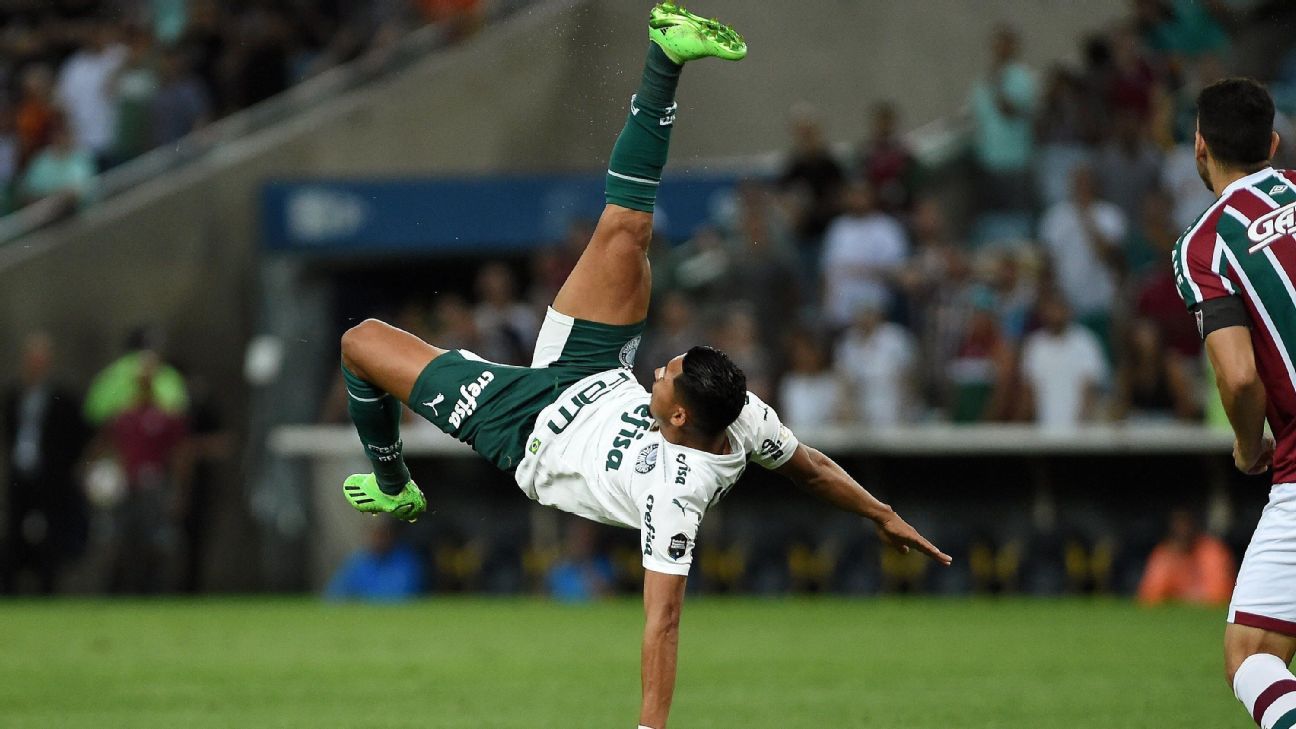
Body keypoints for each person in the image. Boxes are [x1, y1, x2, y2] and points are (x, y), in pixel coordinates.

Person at [334, 7, 949, 728]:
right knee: (627, 228)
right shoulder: (738, 411)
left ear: (680, 415)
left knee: (360, 343)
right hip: (586, 369)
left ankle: (394, 486)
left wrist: (649, 727)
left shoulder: (675, 496)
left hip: (527, 428)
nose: (660, 367)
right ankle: (665, 57)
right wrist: (882, 513)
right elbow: (808, 466)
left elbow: (662, 623)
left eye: (667, 374)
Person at [1172, 77, 1296, 729]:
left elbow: (1241, 378)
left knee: (1251, 655)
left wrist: (1250, 445)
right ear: (1273, 144)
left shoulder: (1205, 245)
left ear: (1200, 149)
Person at [1, 333, 92, 593]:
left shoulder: (61, 397)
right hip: (20, 472)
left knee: (52, 531)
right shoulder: (15, 394)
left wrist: (68, 466)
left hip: (51, 475)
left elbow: (78, 434)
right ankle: (10, 588)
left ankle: (46, 587)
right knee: (14, 531)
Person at [1137, 508, 1234, 606]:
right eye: (1177, 526)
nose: (1182, 531)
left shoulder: (1212, 551)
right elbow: (1149, 597)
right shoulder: (1164, 555)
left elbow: (1220, 595)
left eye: (1186, 525)